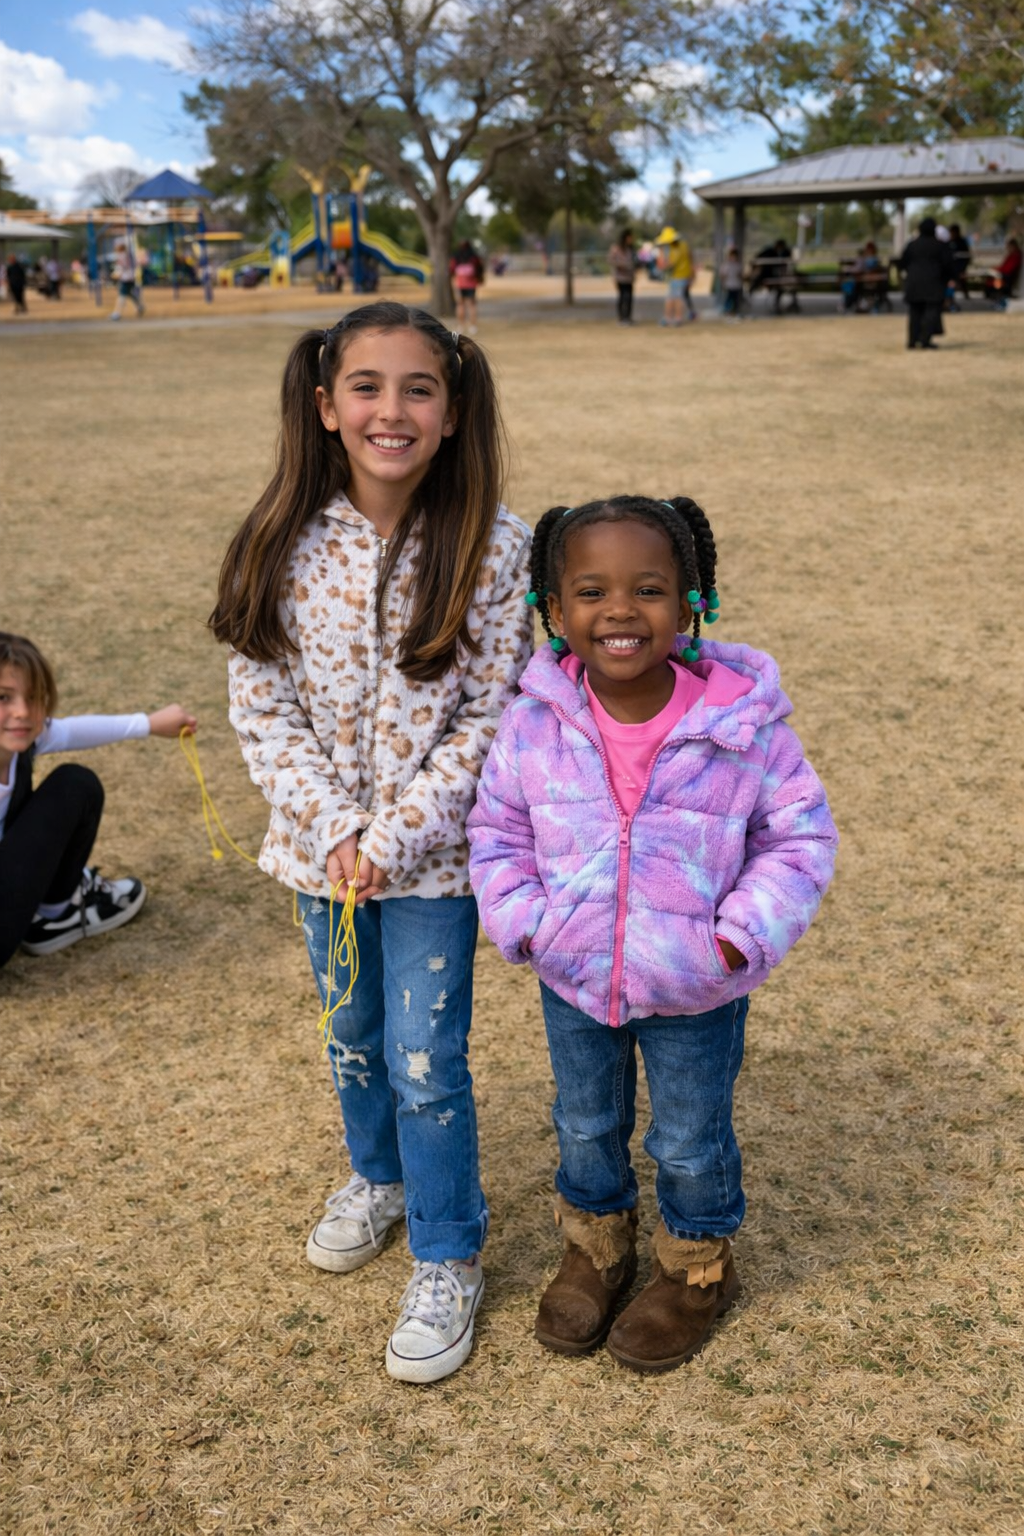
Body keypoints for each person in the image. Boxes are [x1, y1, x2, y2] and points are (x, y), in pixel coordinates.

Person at [210, 301, 532, 1383]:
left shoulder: (498, 546)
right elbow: (259, 703)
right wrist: (337, 829)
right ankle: (378, 1177)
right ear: (324, 404)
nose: (391, 409)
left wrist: (393, 835)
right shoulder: (276, 538)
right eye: (367, 386)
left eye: (418, 389)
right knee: (349, 1037)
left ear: (451, 411)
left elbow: (494, 715)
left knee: (424, 1059)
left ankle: (449, 1248)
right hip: (320, 861)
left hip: (433, 867)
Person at [467, 495, 837, 1373]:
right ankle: (597, 1246)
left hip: (695, 987)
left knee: (688, 1135)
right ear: (555, 613)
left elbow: (799, 838)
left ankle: (697, 1265)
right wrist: (527, 924)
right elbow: (497, 833)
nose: (621, 612)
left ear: (692, 603)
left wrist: (737, 940)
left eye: (650, 589)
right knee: (586, 1123)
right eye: (591, 592)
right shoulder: (534, 723)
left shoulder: (742, 726)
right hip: (573, 977)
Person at [0, 632, 196, 969]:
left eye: (33, 697)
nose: (22, 711)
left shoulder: (28, 739)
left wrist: (149, 724)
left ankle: (54, 916)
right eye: (4, 697)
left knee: (76, 786)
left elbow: (74, 731)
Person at [898, 216, 954, 349]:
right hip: (933, 284)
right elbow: (948, 265)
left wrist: (911, 273)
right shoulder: (940, 246)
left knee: (914, 312)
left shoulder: (912, 245)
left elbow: (902, 263)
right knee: (931, 312)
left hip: (914, 283)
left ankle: (912, 341)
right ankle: (924, 340)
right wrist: (947, 279)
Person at [654, 226, 697, 325]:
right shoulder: (684, 245)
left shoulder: (674, 249)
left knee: (675, 298)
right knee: (674, 297)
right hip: (683, 275)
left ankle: (675, 318)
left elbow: (669, 264)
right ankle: (671, 318)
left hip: (678, 276)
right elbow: (690, 258)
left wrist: (661, 262)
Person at [449, 240, 484, 334]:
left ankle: (460, 326)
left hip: (460, 284)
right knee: (472, 305)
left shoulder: (456, 257)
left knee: (460, 305)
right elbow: (479, 268)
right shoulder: (474, 257)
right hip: (471, 284)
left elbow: (451, 270)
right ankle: (473, 327)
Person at [983, 235, 1022, 309]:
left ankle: (999, 301)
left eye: (1008, 246)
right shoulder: (1012, 255)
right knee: (990, 279)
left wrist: (996, 270)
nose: (1007, 248)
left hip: (1006, 278)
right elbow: (1003, 267)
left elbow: (1008, 270)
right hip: (1004, 276)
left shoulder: (1015, 256)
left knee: (994, 282)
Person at [110, 238, 145, 321]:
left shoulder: (121, 255)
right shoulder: (129, 254)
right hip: (131, 277)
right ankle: (140, 306)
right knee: (129, 294)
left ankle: (117, 313)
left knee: (122, 295)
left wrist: (116, 274)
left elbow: (120, 268)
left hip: (125, 278)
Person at [608, 227, 637, 325]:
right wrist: (621, 265)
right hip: (620, 277)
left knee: (629, 298)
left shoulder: (630, 249)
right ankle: (622, 317)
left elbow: (634, 261)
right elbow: (611, 260)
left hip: (629, 277)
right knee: (623, 297)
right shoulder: (616, 248)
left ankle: (628, 317)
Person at [947, 224, 971, 309]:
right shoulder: (949, 242)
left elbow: (967, 256)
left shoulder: (962, 242)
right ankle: (950, 299)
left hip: (960, 268)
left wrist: (962, 269)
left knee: (959, 281)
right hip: (951, 269)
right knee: (950, 283)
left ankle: (965, 295)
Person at [719, 245, 744, 318]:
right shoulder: (726, 265)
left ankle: (734, 311)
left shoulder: (738, 265)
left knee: (735, 299)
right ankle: (727, 311)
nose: (733, 258)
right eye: (732, 256)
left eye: (735, 256)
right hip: (729, 285)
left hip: (736, 285)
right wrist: (723, 283)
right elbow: (722, 275)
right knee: (729, 298)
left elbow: (740, 275)